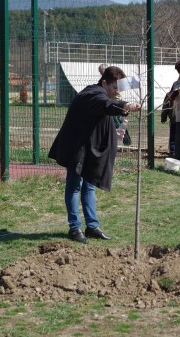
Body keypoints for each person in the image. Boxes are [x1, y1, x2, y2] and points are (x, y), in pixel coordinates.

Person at [49, 66, 141, 243]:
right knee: (74, 185)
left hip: (88, 147)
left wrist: (114, 133)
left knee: (89, 186)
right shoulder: (92, 94)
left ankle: (92, 226)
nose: (116, 92)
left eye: (119, 89)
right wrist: (125, 106)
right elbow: (104, 104)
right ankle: (74, 228)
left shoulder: (103, 94)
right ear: (104, 83)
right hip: (77, 147)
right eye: (114, 88)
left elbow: (98, 119)